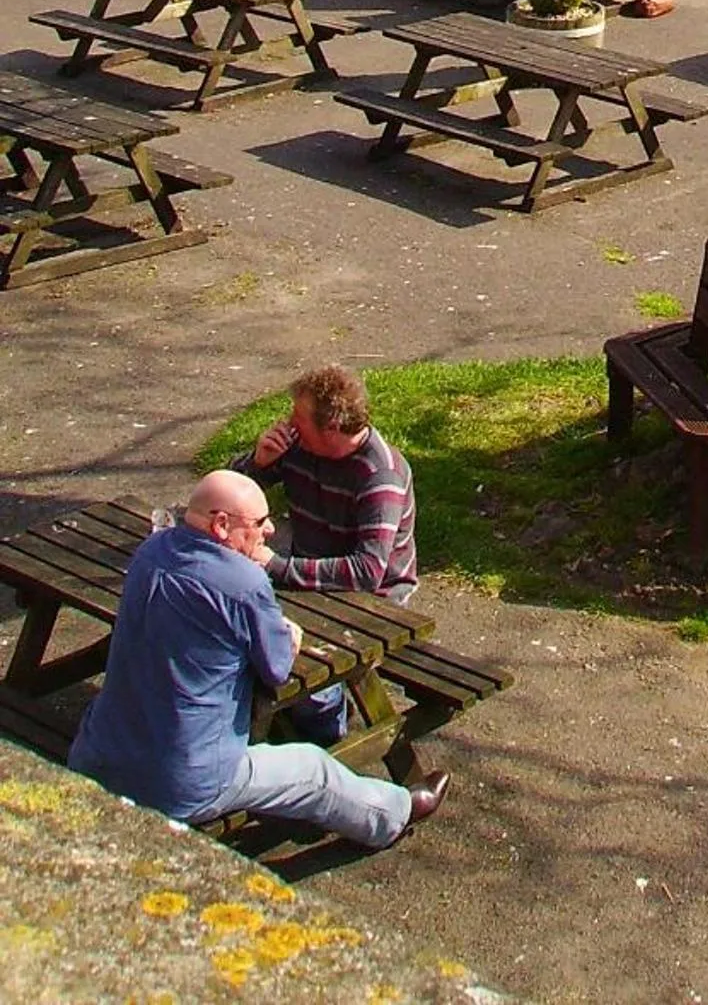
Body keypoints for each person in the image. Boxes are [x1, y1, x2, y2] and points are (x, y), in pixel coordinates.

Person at [68, 469, 445, 847]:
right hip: (183, 782)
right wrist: (288, 636)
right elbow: (278, 669)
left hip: (97, 754)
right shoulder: (243, 582)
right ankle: (395, 813)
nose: (269, 532)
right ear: (221, 524)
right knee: (312, 771)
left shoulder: (151, 551)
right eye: (260, 523)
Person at [234, 363, 419, 748]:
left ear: (331, 427)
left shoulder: (379, 476)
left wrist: (277, 566)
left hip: (370, 601)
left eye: (298, 417)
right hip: (307, 580)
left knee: (304, 675)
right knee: (231, 626)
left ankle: (325, 747)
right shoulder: (299, 447)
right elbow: (226, 497)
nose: (289, 423)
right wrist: (257, 463)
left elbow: (368, 571)